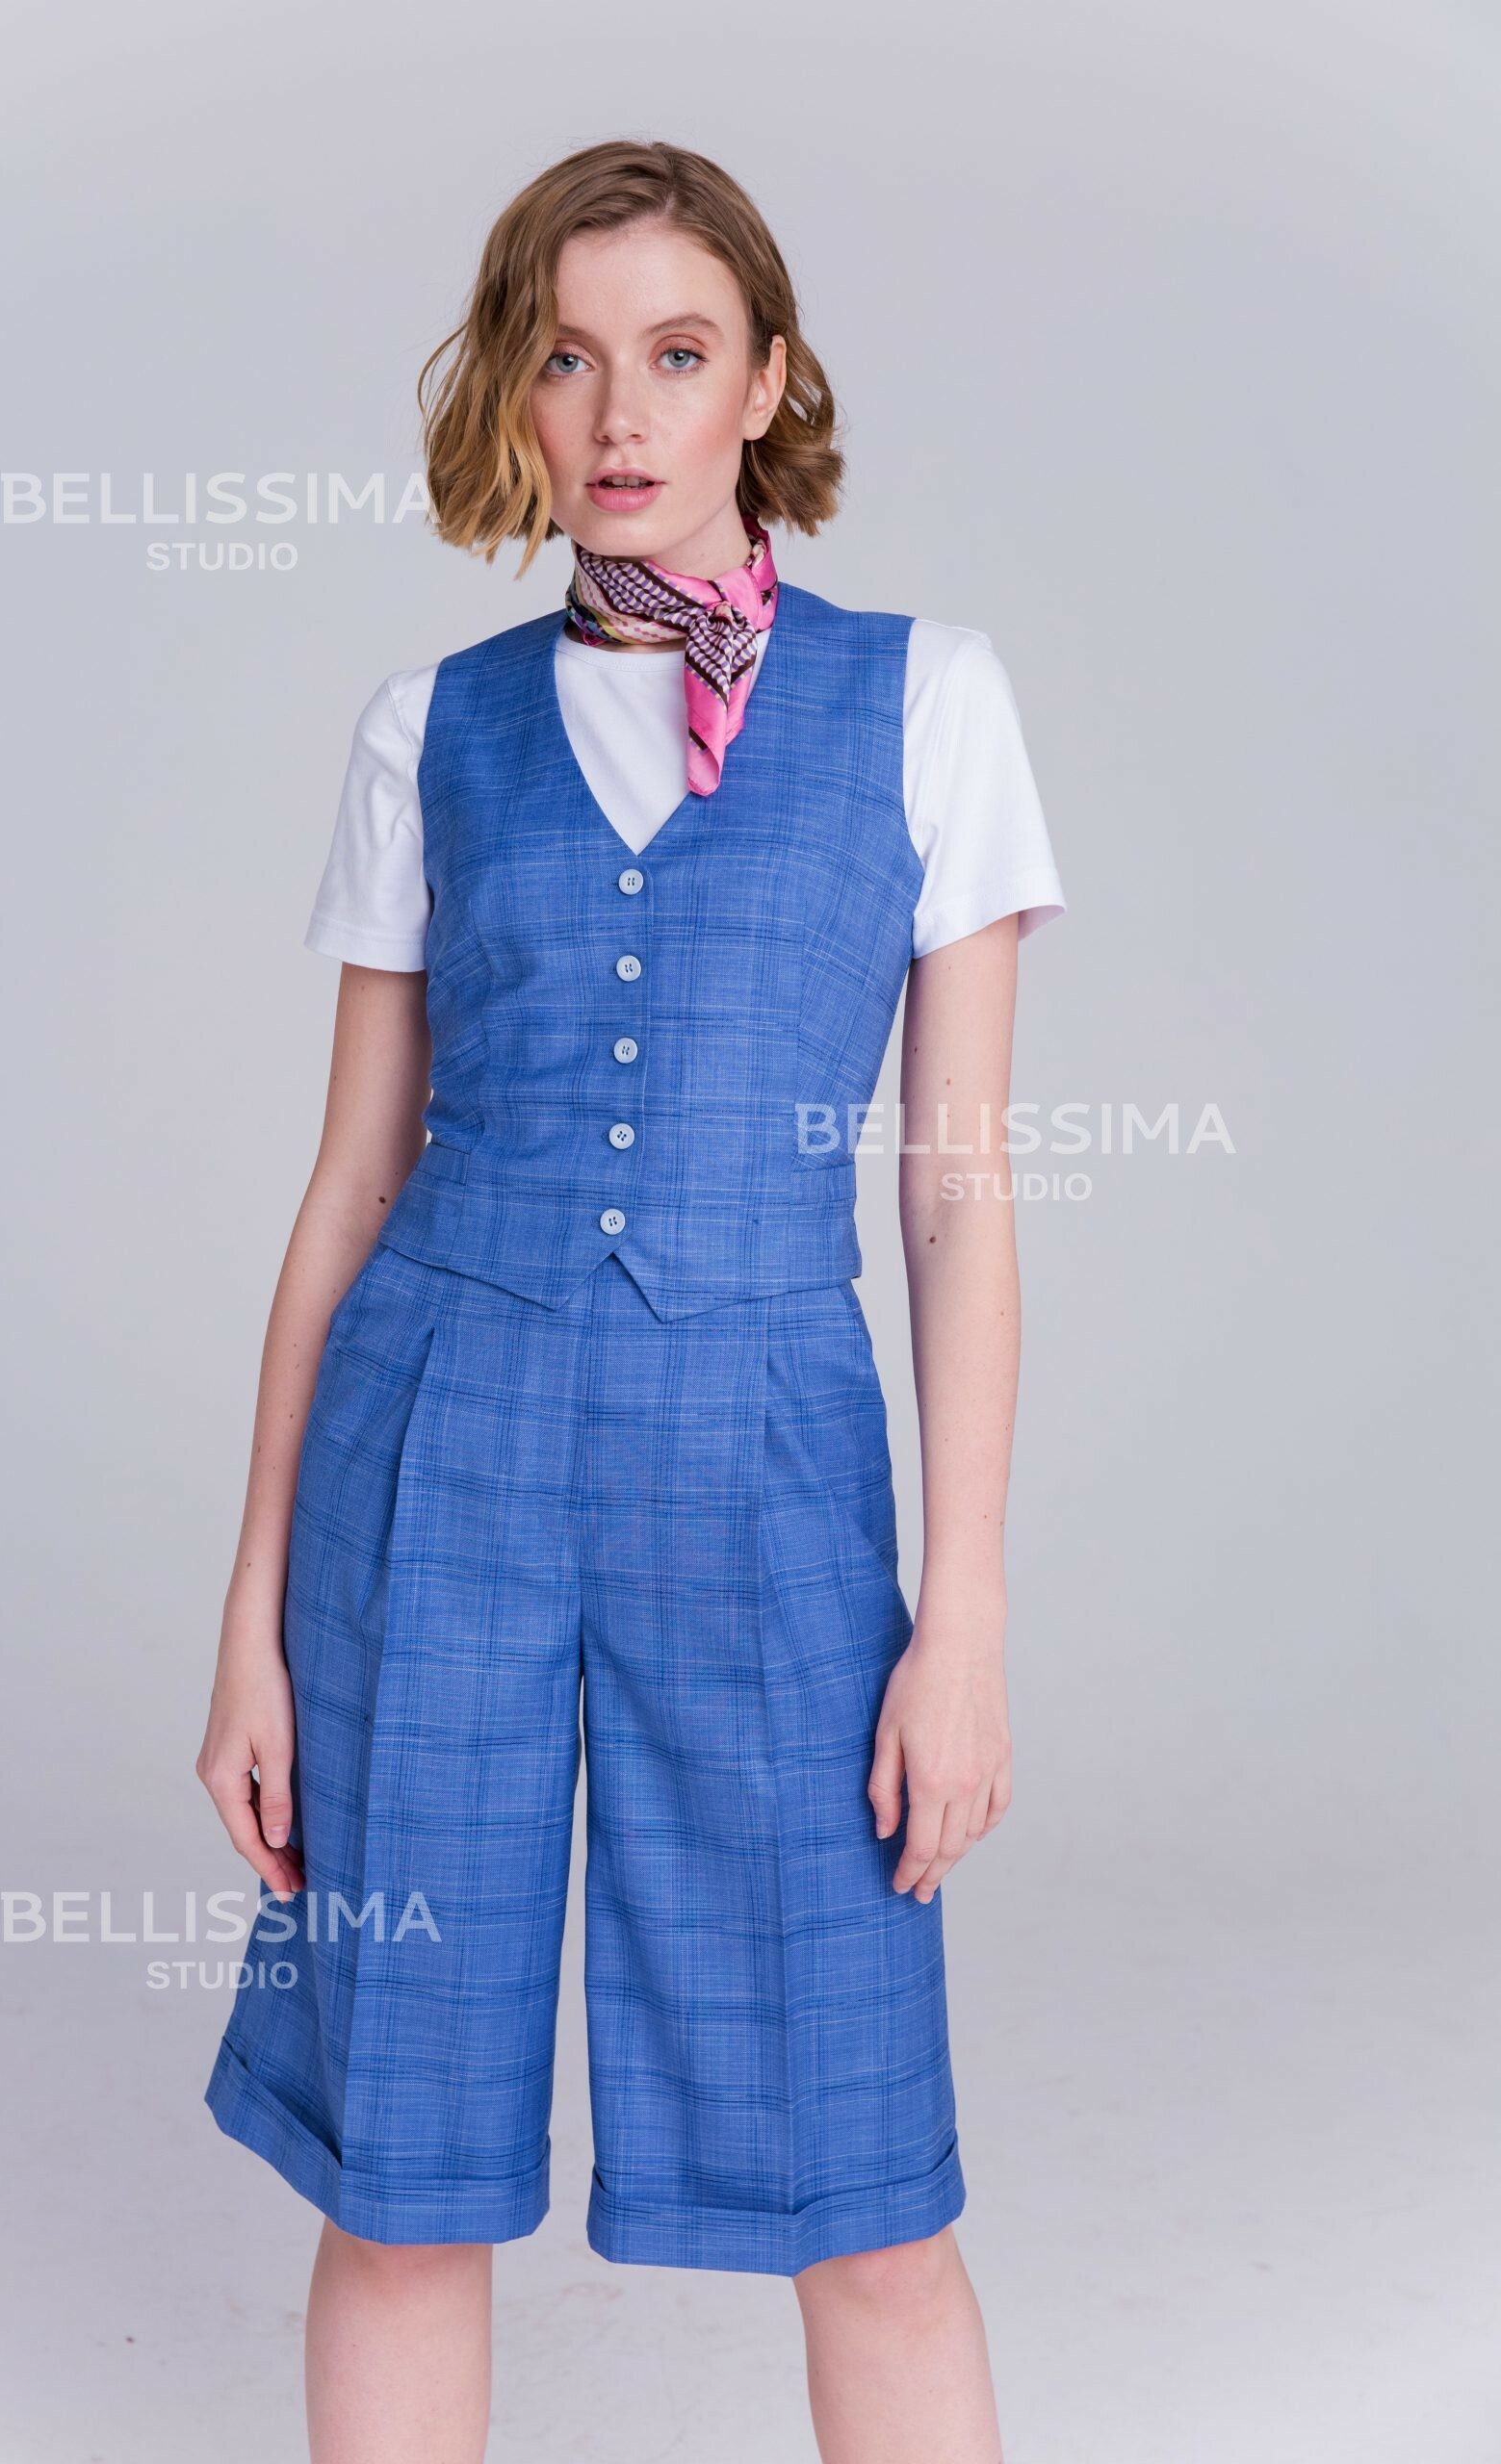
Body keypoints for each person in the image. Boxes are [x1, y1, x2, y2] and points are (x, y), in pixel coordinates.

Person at [197, 137, 1066, 2464]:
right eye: (567, 357)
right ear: (514, 389)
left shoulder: (927, 698)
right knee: (401, 2173)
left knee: (861, 2186)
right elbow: (347, 1185)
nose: (620, 412)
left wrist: (962, 1613)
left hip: (768, 1486)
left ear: (766, 381)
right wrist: (253, 1613)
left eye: (677, 353)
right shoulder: (431, 727)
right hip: (435, 1472)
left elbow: (956, 1195)